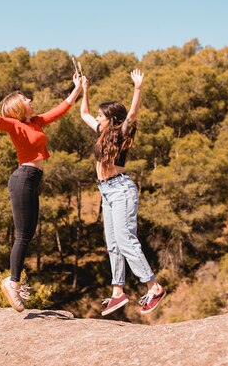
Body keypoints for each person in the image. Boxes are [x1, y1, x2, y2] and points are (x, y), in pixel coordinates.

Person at [0, 71, 83, 312]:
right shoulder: (14, 125)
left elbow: (60, 110)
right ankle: (12, 283)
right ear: (17, 107)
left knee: (28, 234)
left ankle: (13, 282)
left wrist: (77, 88)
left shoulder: (36, 122)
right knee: (23, 235)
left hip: (33, 180)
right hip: (22, 179)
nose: (31, 101)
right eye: (26, 99)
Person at [79, 69, 166, 316]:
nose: (97, 117)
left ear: (112, 119)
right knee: (113, 244)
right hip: (106, 192)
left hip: (121, 190)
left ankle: (154, 286)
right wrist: (84, 89)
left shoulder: (121, 132)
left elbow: (133, 113)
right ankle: (118, 292)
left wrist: (137, 87)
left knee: (126, 240)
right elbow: (83, 113)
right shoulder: (101, 132)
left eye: (101, 115)